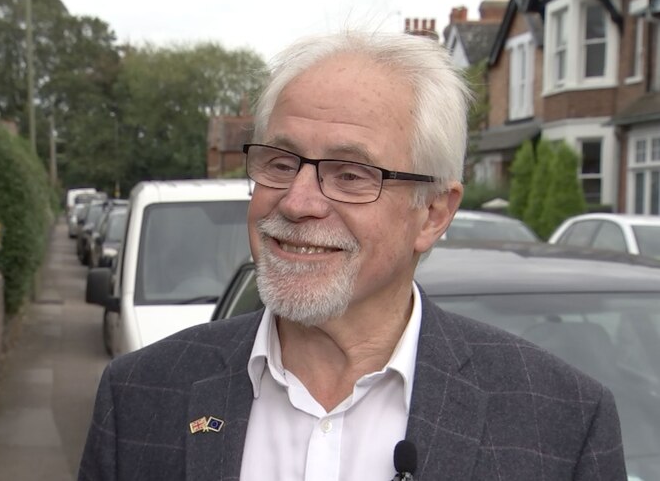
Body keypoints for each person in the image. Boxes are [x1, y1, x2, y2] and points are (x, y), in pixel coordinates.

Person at [78, 30, 626, 480]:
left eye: (350, 174)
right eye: (279, 162)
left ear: (433, 212)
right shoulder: (142, 394)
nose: (297, 202)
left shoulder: (560, 422)